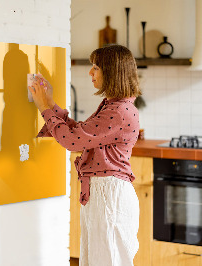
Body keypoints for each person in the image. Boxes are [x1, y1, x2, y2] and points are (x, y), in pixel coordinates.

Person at [28, 44, 142, 266]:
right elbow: (80, 133)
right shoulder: (114, 106)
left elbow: (71, 141)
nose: (90, 72)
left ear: (112, 72)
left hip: (109, 196)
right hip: (103, 193)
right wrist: (50, 103)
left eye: (96, 67)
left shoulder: (118, 111)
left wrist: (44, 107)